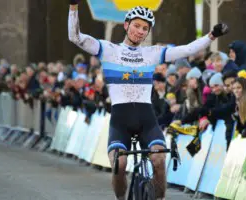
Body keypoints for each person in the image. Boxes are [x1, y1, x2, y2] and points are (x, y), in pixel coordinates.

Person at [67, 1, 229, 199]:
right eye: (136, 25)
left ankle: (159, 197)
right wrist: (74, 7)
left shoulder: (151, 53)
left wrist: (211, 35)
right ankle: (121, 196)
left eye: (145, 28)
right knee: (120, 165)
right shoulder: (107, 49)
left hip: (146, 118)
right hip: (120, 120)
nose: (140, 31)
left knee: (159, 160)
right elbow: (75, 36)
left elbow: (187, 49)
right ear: (126, 25)